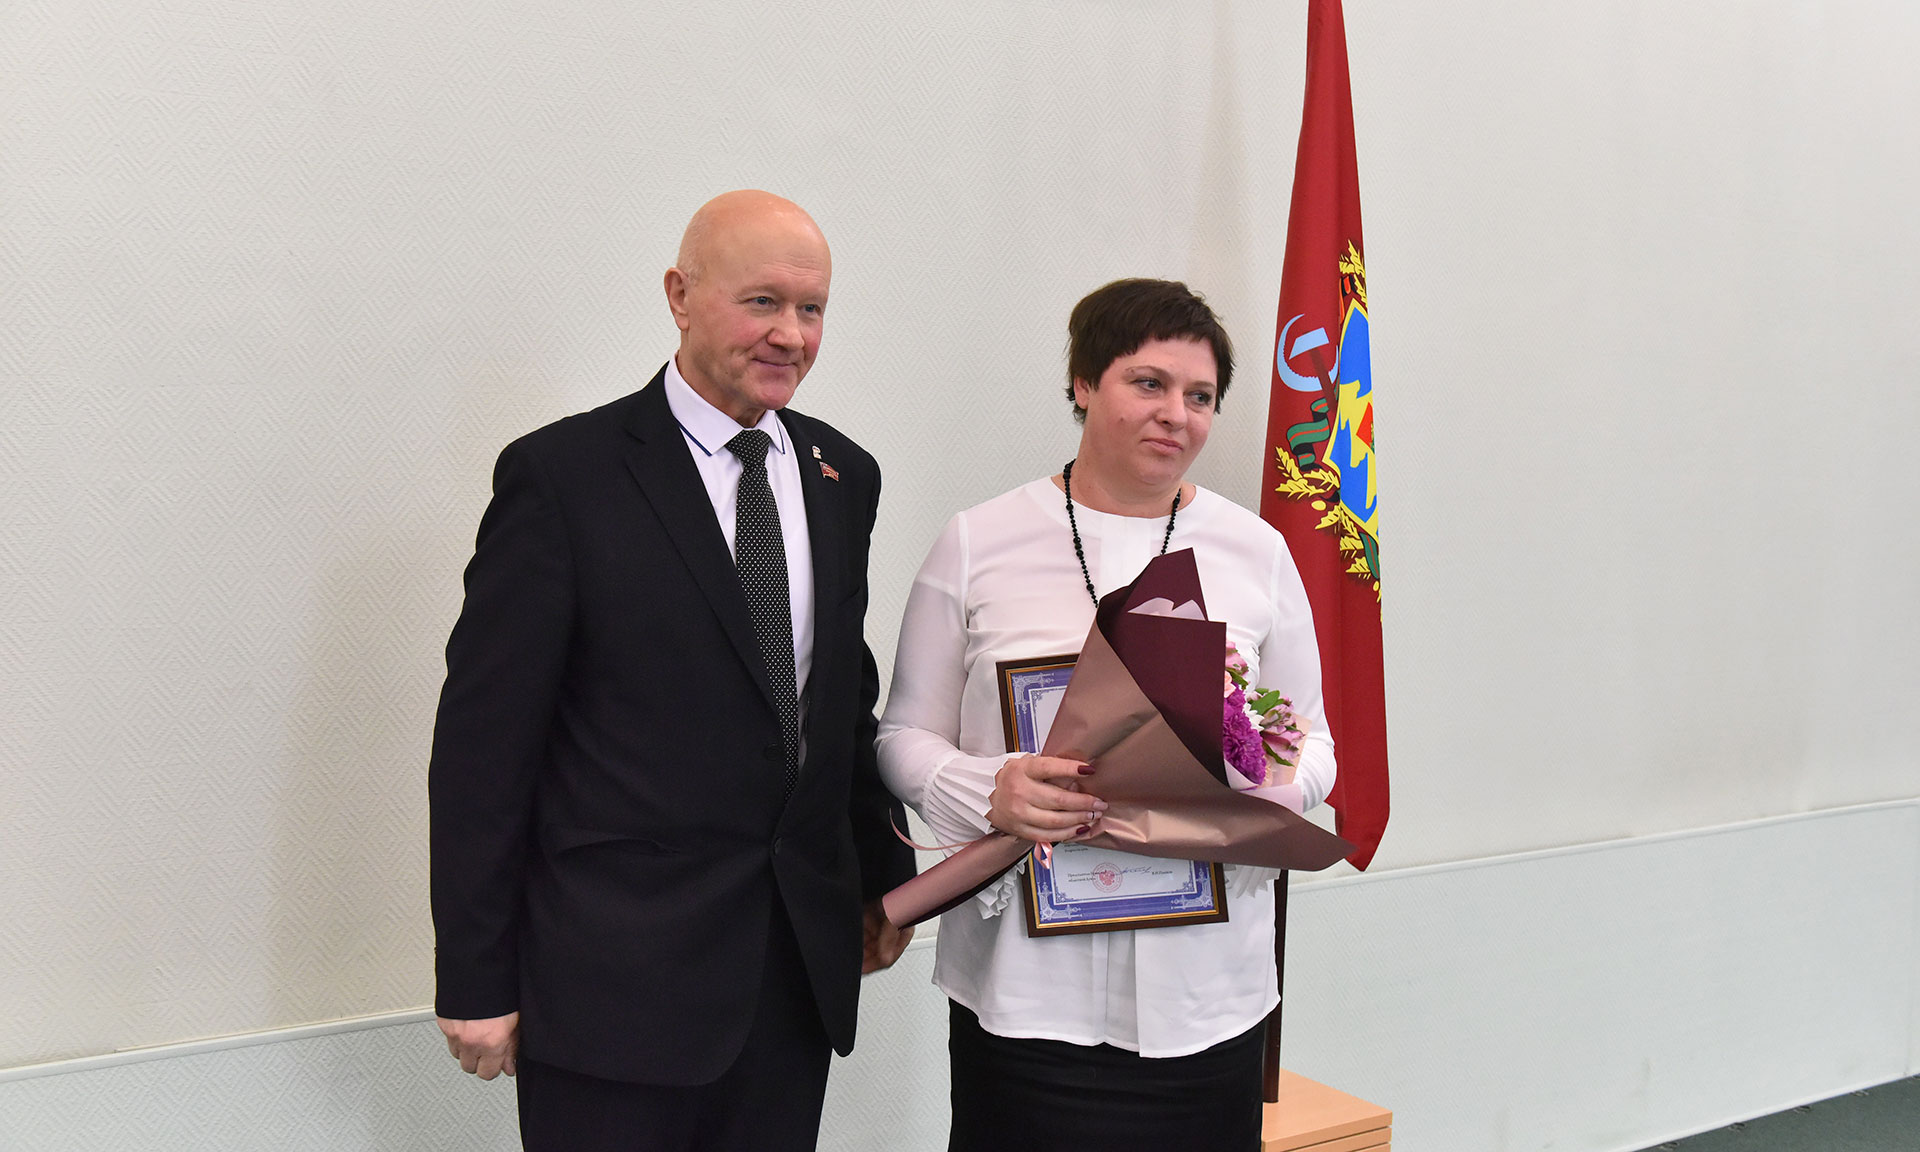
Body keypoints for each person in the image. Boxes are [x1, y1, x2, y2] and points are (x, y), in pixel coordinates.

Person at [428, 189, 917, 1152]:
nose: (790, 335)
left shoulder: (841, 474)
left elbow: (836, 699)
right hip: (612, 990)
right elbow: (485, 748)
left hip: (790, 978)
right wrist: (476, 976)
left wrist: (881, 878)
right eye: (762, 301)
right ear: (679, 296)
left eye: (811, 309)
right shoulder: (563, 477)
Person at [875, 278, 1336, 1151]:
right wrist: (991, 789)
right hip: (1027, 998)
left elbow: (1313, 744)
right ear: (1084, 383)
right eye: (1148, 383)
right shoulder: (979, 541)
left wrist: (1255, 790)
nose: (1176, 415)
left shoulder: (1257, 551)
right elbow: (900, 738)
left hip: (1207, 998)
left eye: (1200, 396)